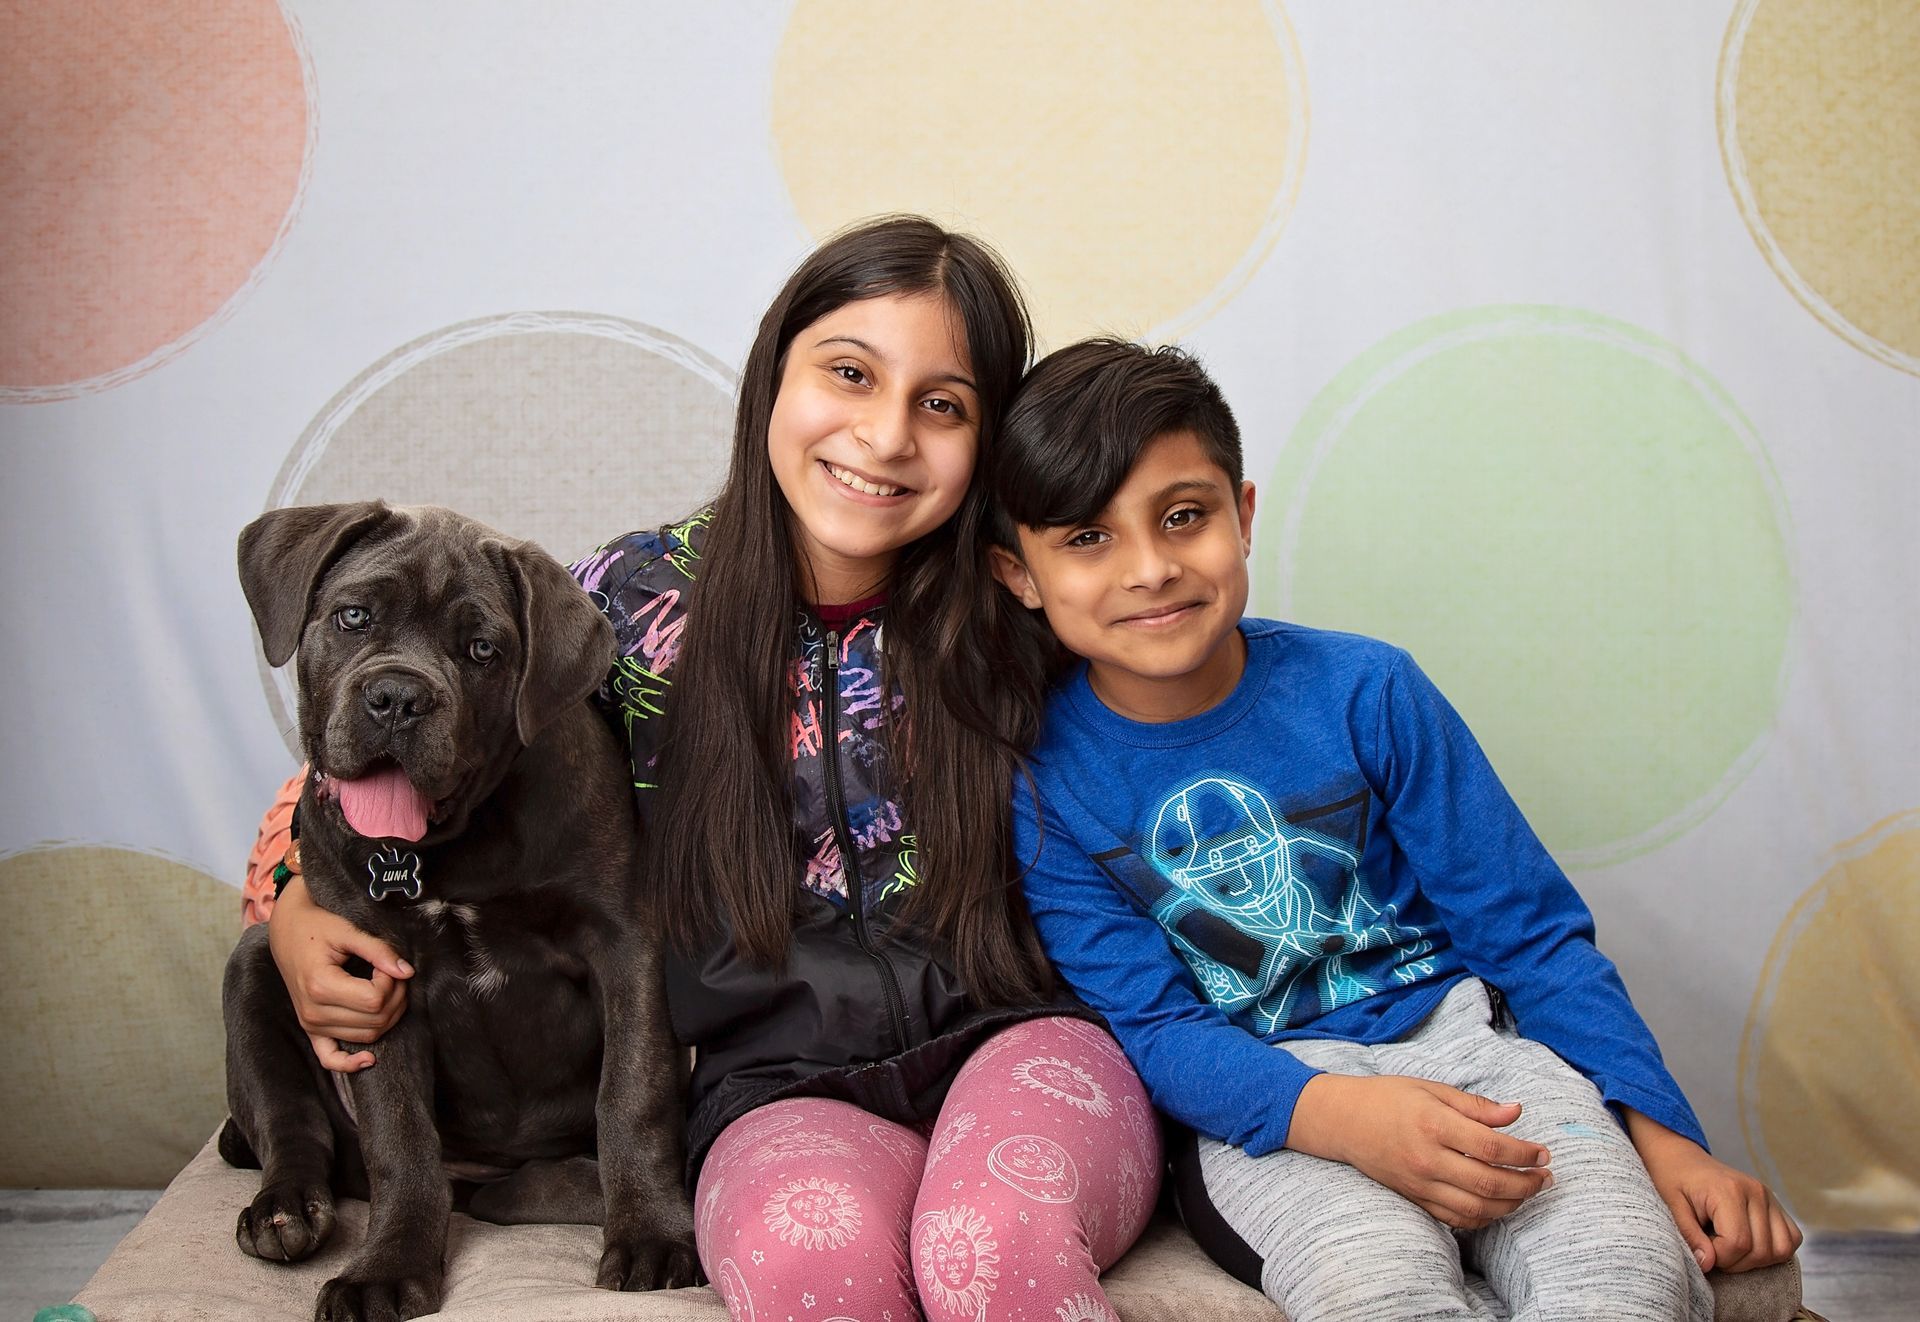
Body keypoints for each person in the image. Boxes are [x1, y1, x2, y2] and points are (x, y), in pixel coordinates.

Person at [259, 217, 1160, 1320]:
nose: (883, 436)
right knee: (802, 1262)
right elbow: (414, 767)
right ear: (771, 377)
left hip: (1016, 1036)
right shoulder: (628, 605)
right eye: (848, 373)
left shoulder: (1024, 599)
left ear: (990, 438)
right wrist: (292, 900)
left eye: (943, 403)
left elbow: (1196, 719)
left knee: (991, 1235)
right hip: (774, 1080)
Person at [982, 338, 1801, 1322]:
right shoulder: (1042, 782)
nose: (1151, 567)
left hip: (1476, 1057)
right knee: (1373, 1283)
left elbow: (1531, 932)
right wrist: (1342, 1114)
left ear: (1241, 516)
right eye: (1086, 538)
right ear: (1019, 572)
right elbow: (1160, 1029)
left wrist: (1662, 1128)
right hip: (1274, 1108)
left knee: (1623, 1268)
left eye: (1183, 517)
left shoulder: (1369, 690)